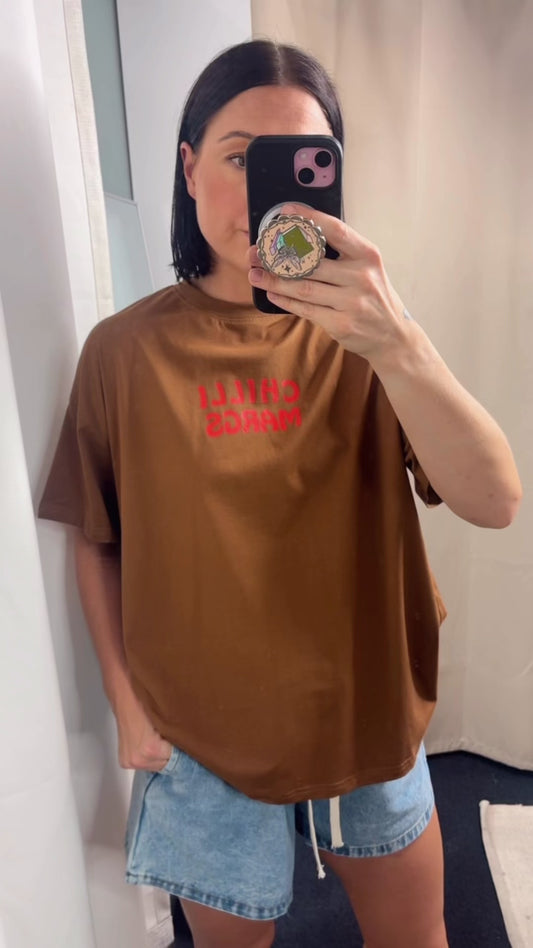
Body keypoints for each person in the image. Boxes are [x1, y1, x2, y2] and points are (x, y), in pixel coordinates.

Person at [38, 39, 521, 948]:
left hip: (364, 709)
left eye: (298, 161)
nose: (262, 193)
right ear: (188, 169)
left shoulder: (369, 338)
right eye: (237, 158)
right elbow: (99, 535)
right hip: (201, 732)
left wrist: (397, 339)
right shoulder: (123, 352)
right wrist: (124, 702)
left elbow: (495, 501)